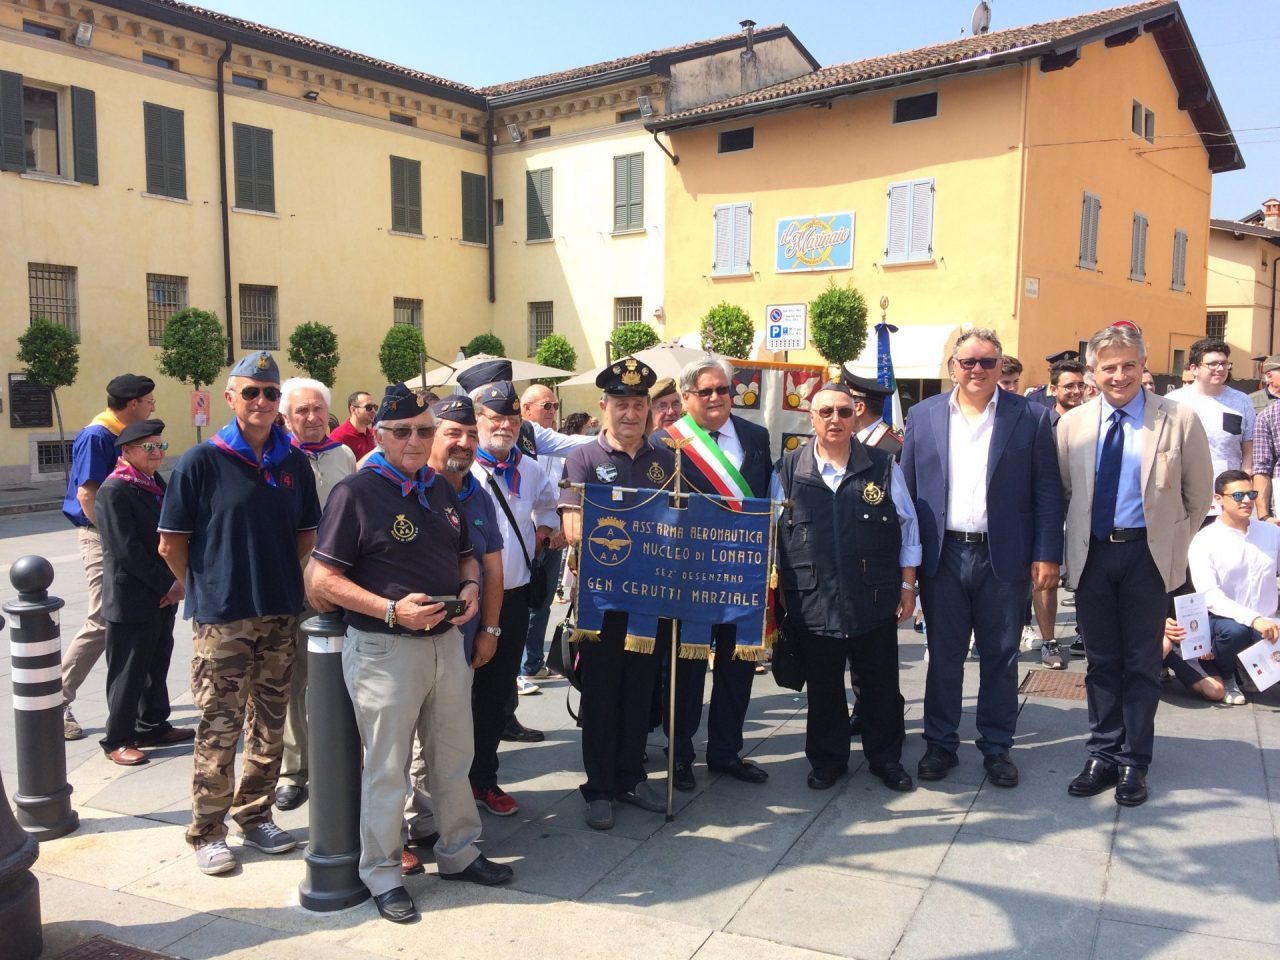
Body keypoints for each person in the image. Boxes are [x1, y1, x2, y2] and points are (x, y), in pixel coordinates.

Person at [306, 383, 508, 924]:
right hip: (385, 648)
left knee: (453, 759)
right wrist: (391, 610)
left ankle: (459, 851)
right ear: (380, 435)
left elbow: (467, 556)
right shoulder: (355, 492)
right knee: (387, 768)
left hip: (444, 642)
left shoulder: (437, 487)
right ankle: (383, 873)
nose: (414, 441)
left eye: (423, 430)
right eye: (401, 432)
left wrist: (470, 588)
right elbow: (321, 581)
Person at [158, 352, 321, 876]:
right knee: (219, 724)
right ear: (231, 398)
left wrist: (273, 573)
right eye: (251, 392)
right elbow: (171, 543)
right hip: (222, 618)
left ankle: (255, 814)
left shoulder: (293, 463)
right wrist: (206, 584)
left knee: (270, 721)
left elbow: (306, 535)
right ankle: (207, 830)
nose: (262, 401)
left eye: (271, 393)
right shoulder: (201, 461)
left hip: (279, 611)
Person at [1057, 323, 1211, 807]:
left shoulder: (1178, 419)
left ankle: (1134, 762)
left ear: (1144, 365)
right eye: (1109, 367)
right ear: (1092, 371)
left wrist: (1171, 546)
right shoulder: (1073, 424)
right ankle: (1102, 753)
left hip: (1148, 556)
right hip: (1094, 555)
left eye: (1129, 365)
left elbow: (1198, 494)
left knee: (1143, 663)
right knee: (1101, 661)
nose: (1119, 375)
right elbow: (1067, 492)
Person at [901, 329, 1063, 789]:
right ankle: (940, 744)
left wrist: (1047, 553)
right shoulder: (923, 414)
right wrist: (906, 565)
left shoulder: (1031, 417)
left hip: (1003, 555)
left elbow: (1047, 491)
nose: (977, 370)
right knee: (945, 655)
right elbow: (907, 492)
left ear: (1000, 366)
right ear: (953, 367)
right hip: (944, 553)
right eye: (968, 362)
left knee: (1001, 656)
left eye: (987, 362)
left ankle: (997, 747)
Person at [773, 374, 921, 791]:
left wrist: (908, 587)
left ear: (856, 416)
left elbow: (909, 528)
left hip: (873, 596)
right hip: (813, 599)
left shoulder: (882, 466)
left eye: (843, 411)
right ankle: (827, 760)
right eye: (825, 412)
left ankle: (886, 759)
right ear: (811, 417)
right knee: (823, 688)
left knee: (880, 686)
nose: (834, 419)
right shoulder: (787, 470)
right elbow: (770, 536)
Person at [560, 355, 674, 830]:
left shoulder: (666, 460)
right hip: (601, 602)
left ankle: (632, 776)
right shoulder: (583, 459)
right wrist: (634, 529)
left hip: (650, 599)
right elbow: (572, 529)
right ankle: (599, 787)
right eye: (621, 404)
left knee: (641, 691)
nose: (631, 413)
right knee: (602, 694)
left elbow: (679, 524)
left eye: (639, 404)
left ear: (649, 409)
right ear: (603, 406)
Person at [650, 357, 773, 792]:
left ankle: (726, 751)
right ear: (686, 398)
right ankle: (680, 753)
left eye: (723, 389)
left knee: (738, 667)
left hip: (743, 573)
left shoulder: (756, 436)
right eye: (706, 391)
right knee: (685, 670)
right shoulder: (665, 442)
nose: (717, 397)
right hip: (691, 576)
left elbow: (764, 498)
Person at [402, 396, 505, 868]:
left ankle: (426, 822)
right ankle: (394, 840)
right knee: (397, 746)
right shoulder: (396, 487)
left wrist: (490, 629)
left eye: (470, 434)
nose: (463, 442)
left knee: (445, 744)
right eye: (452, 433)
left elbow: (491, 568)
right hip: (402, 642)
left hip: (458, 642)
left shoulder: (477, 493)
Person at [467, 378, 560, 816]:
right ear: (477, 420)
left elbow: (548, 506)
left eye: (510, 418)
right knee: (454, 697)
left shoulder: (532, 469)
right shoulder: (461, 467)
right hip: (465, 601)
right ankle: (442, 790)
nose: (502, 425)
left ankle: (483, 780)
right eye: (493, 417)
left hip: (513, 597)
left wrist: (543, 530)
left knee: (495, 694)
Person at [274, 378, 357, 812]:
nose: (311, 417)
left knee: (347, 672)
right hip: (292, 582)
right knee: (294, 680)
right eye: (301, 411)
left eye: (317, 409)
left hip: (341, 583)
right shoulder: (276, 457)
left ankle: (344, 756)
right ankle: (294, 770)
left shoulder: (343, 454)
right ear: (286, 417)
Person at [59, 373, 157, 741]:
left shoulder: (124, 435)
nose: (153, 407)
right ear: (133, 404)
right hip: (101, 536)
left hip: (121, 536)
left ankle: (143, 708)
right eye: (149, 401)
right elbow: (87, 495)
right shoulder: (98, 435)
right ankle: (55, 699)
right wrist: (115, 537)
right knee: (102, 619)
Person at [95, 419, 191, 766]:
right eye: (149, 447)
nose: (157, 453)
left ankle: (152, 725)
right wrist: (168, 584)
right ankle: (118, 739)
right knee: (128, 670)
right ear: (127, 451)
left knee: (156, 663)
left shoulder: (153, 483)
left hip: (160, 595)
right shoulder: (114, 489)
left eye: (160, 446)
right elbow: (126, 550)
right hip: (132, 596)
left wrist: (176, 581)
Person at [1184, 470, 1279, 705]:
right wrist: (1254, 619)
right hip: (1222, 621)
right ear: (1219, 499)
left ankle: (1248, 669)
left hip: (1268, 623)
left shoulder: (1272, 533)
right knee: (1235, 631)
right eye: (1238, 495)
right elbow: (1210, 595)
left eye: (1251, 494)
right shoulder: (1204, 540)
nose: (1246, 500)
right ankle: (1225, 673)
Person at [1034, 359, 1089, 669]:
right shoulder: (1040, 422)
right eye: (1069, 386)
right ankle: (1049, 641)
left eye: (1081, 385)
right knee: (1045, 578)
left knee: (1086, 574)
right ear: (1053, 389)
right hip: (1047, 510)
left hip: (1083, 509)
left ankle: (1085, 633)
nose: (1076, 391)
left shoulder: (1093, 421)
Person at [1165, 337, 1254, 518]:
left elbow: (1249, 448)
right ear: (1194, 369)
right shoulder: (1173, 402)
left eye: (1224, 363)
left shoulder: (1242, 401)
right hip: (1186, 495)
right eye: (1212, 364)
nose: (1220, 369)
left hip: (1229, 497)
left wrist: (1244, 480)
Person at [518, 383, 568, 681]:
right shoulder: (521, 440)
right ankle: (519, 669)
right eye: (545, 406)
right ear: (526, 409)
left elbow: (565, 492)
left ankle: (533, 664)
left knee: (543, 602)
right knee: (520, 604)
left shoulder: (556, 444)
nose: (551, 411)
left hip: (554, 534)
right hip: (526, 536)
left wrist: (560, 529)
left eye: (555, 406)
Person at [331, 390, 378, 461]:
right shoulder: (339, 437)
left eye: (375, 407)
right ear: (353, 409)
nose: (373, 411)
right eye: (368, 407)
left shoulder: (374, 434)